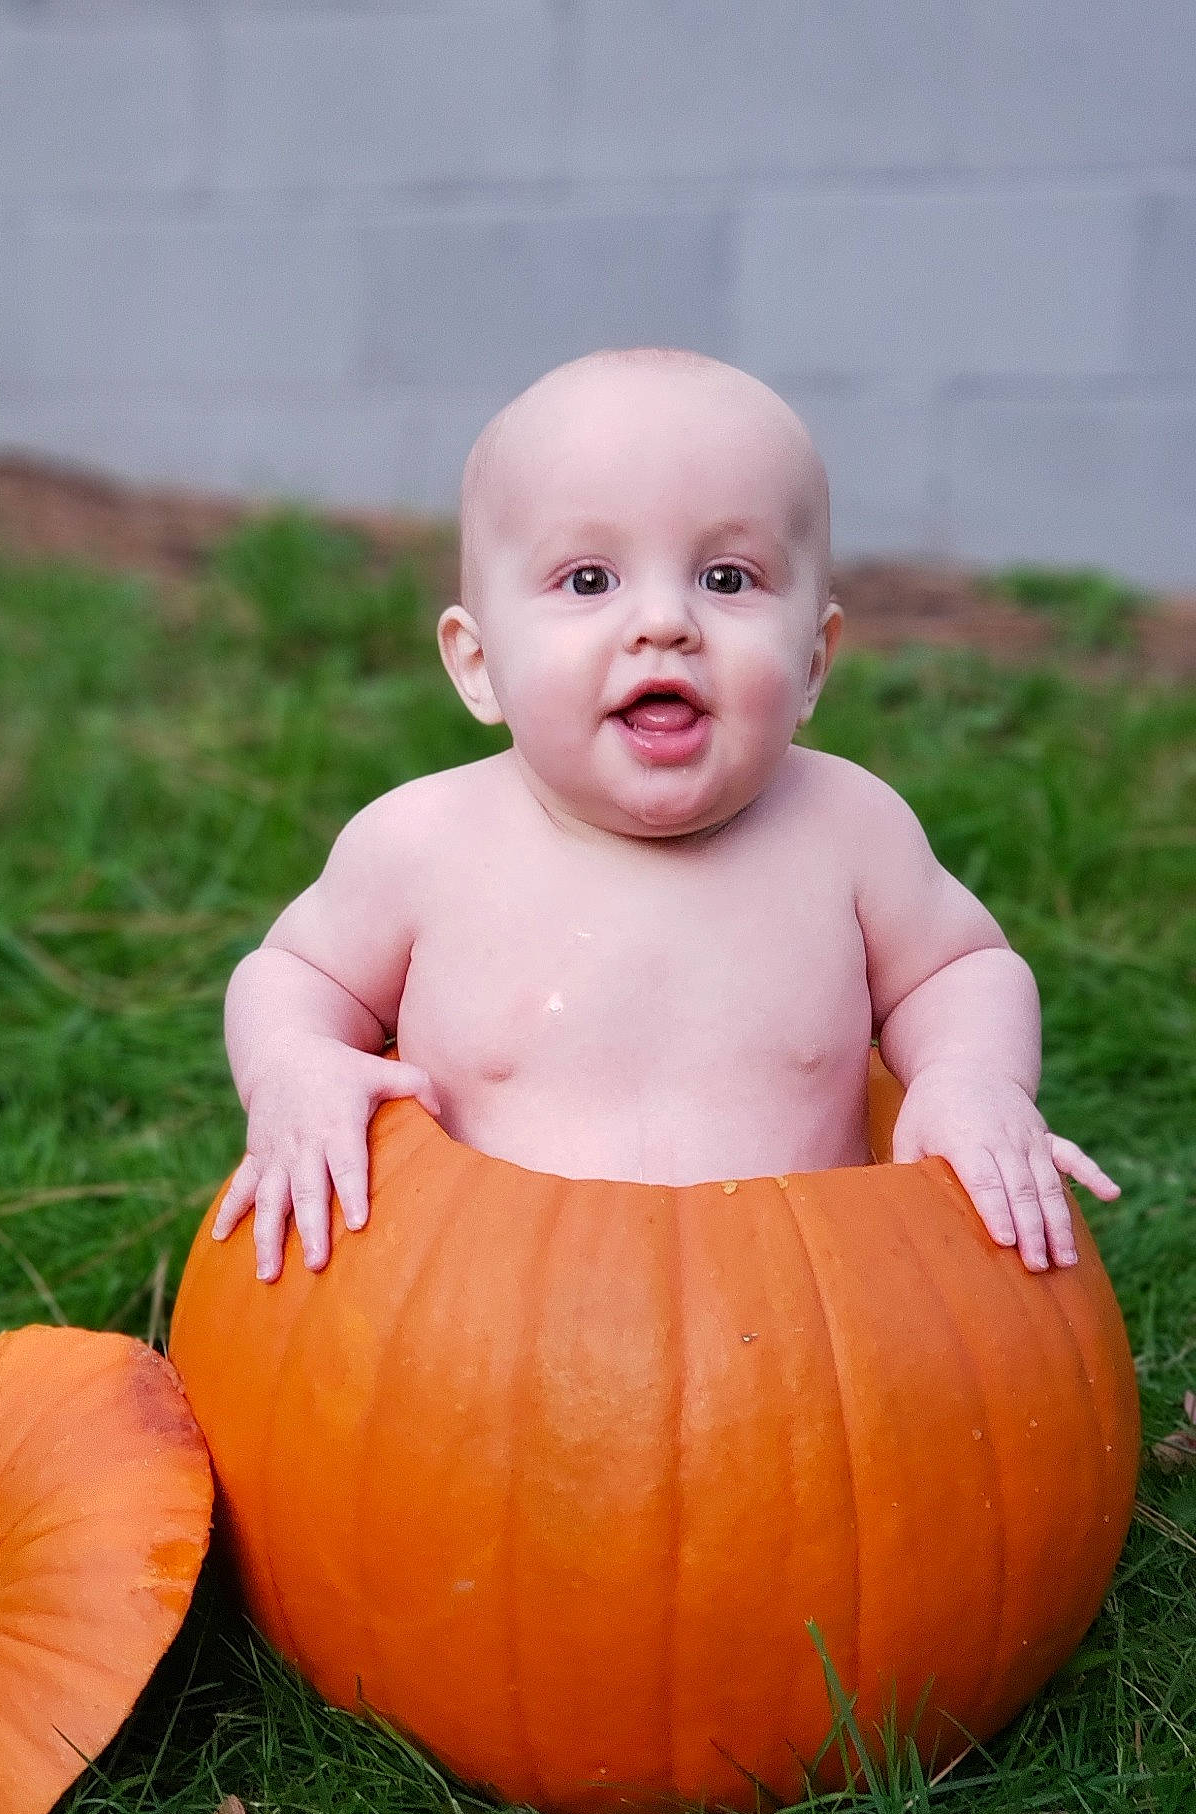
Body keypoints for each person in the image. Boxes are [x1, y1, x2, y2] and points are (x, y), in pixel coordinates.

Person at [211, 347, 1119, 1283]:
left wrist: (971, 1077)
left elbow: (961, 969)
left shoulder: (852, 830)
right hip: (484, 1334)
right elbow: (292, 973)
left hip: (809, 1330)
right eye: (589, 580)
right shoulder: (421, 846)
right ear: (479, 665)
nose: (664, 622)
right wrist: (293, 1069)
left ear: (813, 662)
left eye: (726, 579)